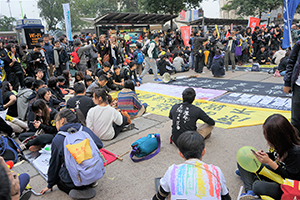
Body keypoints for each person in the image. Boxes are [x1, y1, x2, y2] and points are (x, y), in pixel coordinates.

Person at [40, 108, 103, 199]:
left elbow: (54, 164)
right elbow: (99, 144)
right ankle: (90, 182)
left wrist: (50, 184)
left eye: (55, 122)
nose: (55, 125)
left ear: (62, 120)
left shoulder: (59, 138)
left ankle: (77, 190)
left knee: (59, 177)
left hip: (75, 179)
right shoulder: (83, 129)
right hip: (93, 172)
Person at [152, 130, 231, 200]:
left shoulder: (172, 171)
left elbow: (159, 196)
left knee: (169, 191)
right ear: (203, 152)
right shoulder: (216, 171)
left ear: (180, 154)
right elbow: (226, 196)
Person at [237, 114, 300, 200]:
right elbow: (275, 156)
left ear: (277, 138)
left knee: (258, 186)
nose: (266, 138)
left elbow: (289, 177)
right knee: (245, 158)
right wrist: (263, 155)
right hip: (276, 172)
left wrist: (269, 162)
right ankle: (250, 191)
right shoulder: (279, 144)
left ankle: (252, 181)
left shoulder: (295, 152)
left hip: (287, 184)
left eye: (267, 135)